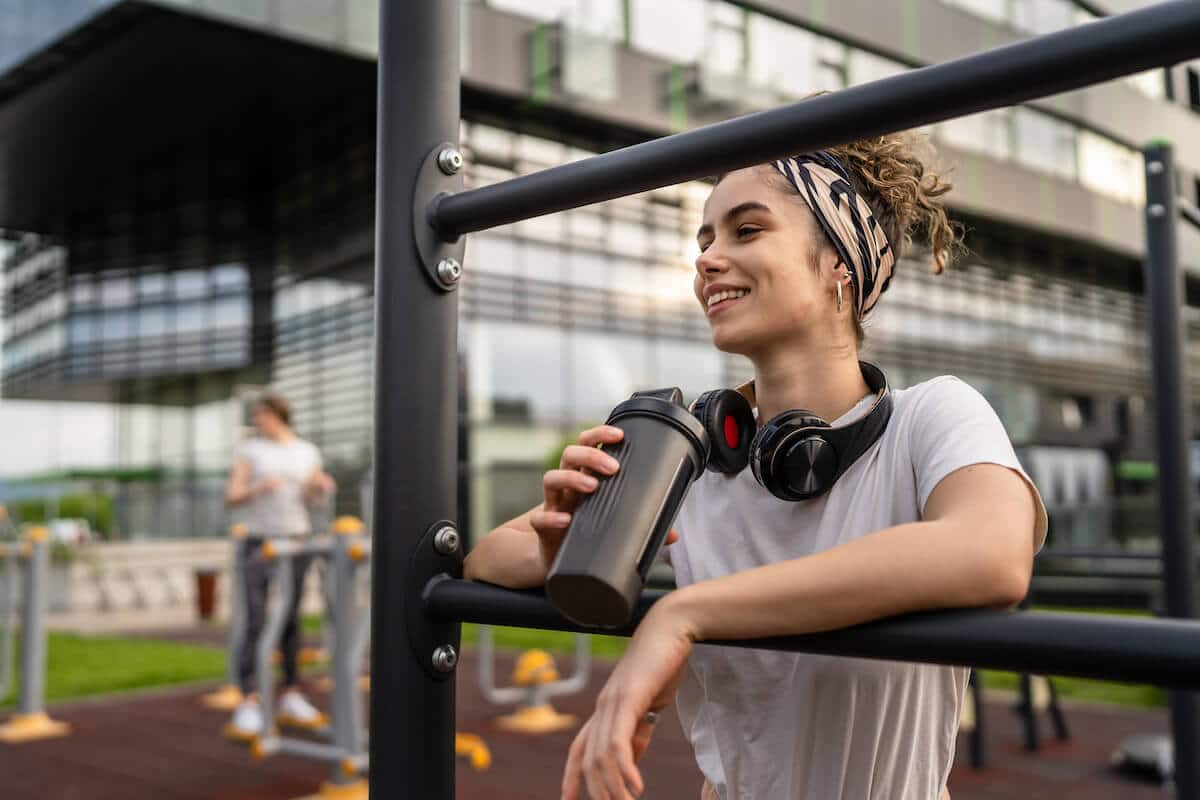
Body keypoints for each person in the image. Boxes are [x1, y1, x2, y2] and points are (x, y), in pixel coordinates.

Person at [463, 132, 1047, 800]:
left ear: (838, 262)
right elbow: (487, 556)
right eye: (704, 242)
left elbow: (992, 554)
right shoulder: (692, 462)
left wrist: (682, 614)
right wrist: (562, 548)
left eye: (746, 230)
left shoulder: (932, 417)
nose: (710, 259)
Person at [223, 391, 336, 739]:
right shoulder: (251, 451)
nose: (258, 421)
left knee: (290, 621)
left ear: (279, 415)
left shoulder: (307, 452)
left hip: (296, 540)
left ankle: (291, 694)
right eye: (256, 416)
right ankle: (249, 699)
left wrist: (320, 487)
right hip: (260, 541)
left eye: (262, 415)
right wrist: (258, 488)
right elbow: (231, 496)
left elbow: (312, 500)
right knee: (255, 619)